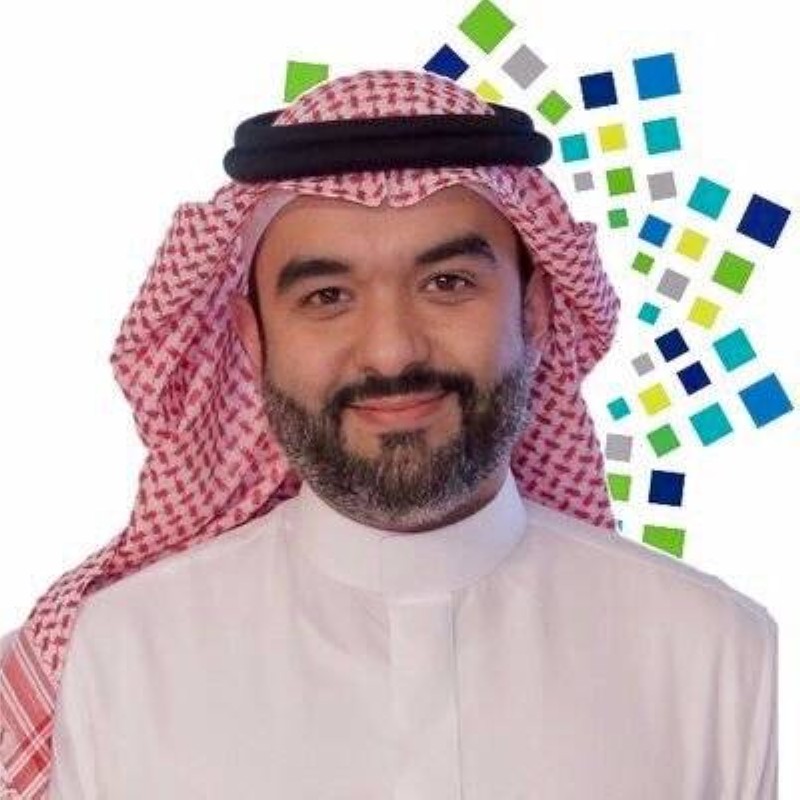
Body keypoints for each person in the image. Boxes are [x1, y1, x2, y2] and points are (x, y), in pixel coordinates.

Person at [0, 68, 777, 799]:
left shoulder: (721, 660)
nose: (392, 351)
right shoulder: (114, 663)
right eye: (327, 295)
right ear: (252, 336)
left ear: (535, 310)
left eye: (448, 283)